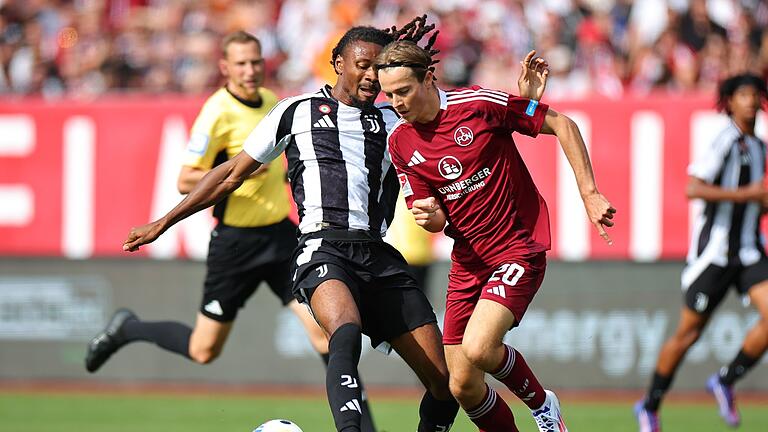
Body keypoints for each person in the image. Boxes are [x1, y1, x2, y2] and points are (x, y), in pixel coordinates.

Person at [120, 18, 462, 432]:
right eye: (362, 65)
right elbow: (231, 173)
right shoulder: (294, 112)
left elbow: (448, 128)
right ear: (337, 63)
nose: (372, 76)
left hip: (379, 254)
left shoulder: (395, 123)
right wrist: (164, 221)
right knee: (345, 331)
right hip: (323, 248)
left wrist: (409, 64)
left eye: (379, 68)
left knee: (447, 383)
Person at [84, 31, 376, 431]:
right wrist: (242, 173)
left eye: (255, 62)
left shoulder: (277, 104)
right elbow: (186, 178)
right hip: (235, 243)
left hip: (282, 238)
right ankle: (128, 328)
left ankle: (362, 426)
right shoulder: (217, 112)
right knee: (203, 350)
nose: (250, 70)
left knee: (328, 335)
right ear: (225, 68)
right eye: (241, 63)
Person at [374, 41, 616, 432]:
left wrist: (589, 193)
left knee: (480, 348)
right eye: (390, 94)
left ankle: (543, 407)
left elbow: (563, 125)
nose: (397, 102)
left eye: (404, 90)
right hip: (468, 261)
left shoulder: (478, 104)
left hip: (517, 247)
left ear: (428, 78)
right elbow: (433, 218)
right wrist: (429, 215)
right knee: (463, 385)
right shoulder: (400, 143)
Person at [634, 73, 768, 432]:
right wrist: (750, 195)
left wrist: (760, 202)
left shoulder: (759, 146)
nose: (751, 101)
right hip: (714, 254)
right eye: (743, 95)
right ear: (730, 100)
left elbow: (757, 201)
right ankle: (649, 405)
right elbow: (694, 188)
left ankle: (725, 379)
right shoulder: (724, 140)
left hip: (749, 251)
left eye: (756, 94)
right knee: (688, 334)